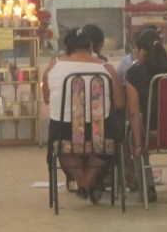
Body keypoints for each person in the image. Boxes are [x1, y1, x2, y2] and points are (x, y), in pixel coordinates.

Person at [42, 27, 125, 202]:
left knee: (65, 149)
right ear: (91, 46)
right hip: (100, 137)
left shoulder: (52, 67)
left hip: (64, 136)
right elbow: (119, 103)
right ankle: (89, 182)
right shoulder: (107, 69)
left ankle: (83, 183)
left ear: (66, 47)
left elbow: (48, 100)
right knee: (103, 139)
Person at [125, 28, 167, 202]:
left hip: (151, 131)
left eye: (136, 49)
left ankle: (148, 186)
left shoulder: (134, 73)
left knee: (132, 134)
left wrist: (137, 145)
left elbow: (134, 112)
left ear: (142, 51)